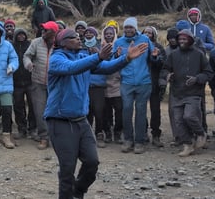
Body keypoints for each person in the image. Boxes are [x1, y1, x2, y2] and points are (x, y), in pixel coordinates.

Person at [45, 28, 147, 199]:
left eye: (79, 37)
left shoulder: (83, 57)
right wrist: (97, 57)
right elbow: (71, 68)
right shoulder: (56, 58)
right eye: (74, 37)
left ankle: (78, 191)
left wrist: (126, 58)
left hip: (80, 120)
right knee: (67, 168)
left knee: (92, 162)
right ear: (63, 42)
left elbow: (106, 67)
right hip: (60, 121)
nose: (79, 39)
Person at [161, 29, 213, 157]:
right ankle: (187, 144)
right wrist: (168, 75)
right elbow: (164, 69)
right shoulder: (173, 55)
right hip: (177, 92)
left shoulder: (199, 54)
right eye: (180, 39)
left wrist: (197, 79)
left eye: (184, 39)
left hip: (193, 92)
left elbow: (208, 73)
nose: (181, 41)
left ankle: (201, 133)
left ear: (190, 40)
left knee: (189, 116)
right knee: (178, 120)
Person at [114, 17, 159, 154]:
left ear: (136, 28)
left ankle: (139, 141)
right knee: (126, 110)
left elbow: (153, 57)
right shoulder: (119, 42)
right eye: (126, 27)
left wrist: (155, 56)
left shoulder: (144, 39)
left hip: (143, 81)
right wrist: (116, 55)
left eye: (131, 27)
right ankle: (128, 140)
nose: (128, 30)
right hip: (126, 82)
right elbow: (113, 61)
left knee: (141, 111)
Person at [24, 21, 59, 149]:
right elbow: (27, 56)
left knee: (55, 111)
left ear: (53, 32)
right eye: (42, 29)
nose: (43, 31)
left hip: (55, 84)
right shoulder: (36, 42)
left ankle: (56, 137)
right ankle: (44, 137)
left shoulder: (60, 43)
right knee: (39, 111)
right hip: (38, 82)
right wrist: (28, 64)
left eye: (46, 30)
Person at [142, 26, 167, 147]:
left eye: (150, 33)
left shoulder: (159, 47)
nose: (147, 34)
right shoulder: (138, 46)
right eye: (145, 32)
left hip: (154, 83)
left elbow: (163, 64)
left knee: (155, 110)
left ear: (154, 35)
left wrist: (155, 57)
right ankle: (143, 133)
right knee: (141, 110)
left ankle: (156, 134)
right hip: (141, 82)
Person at [83, 26, 107, 148]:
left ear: (95, 35)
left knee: (99, 110)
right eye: (86, 33)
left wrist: (98, 54)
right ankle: (87, 135)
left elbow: (107, 63)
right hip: (85, 84)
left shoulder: (101, 46)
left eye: (91, 33)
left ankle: (99, 133)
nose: (88, 34)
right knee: (87, 112)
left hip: (98, 85)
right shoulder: (81, 47)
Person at [12, 28, 35, 139]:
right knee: (18, 106)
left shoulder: (30, 45)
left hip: (30, 80)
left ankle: (33, 128)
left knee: (32, 105)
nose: (21, 37)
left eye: (23, 35)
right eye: (19, 35)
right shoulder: (12, 46)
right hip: (16, 81)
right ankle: (21, 128)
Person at [102, 22, 122, 144]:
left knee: (119, 110)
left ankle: (118, 132)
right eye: (106, 33)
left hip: (117, 83)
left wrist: (119, 56)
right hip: (103, 83)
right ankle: (108, 132)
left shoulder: (119, 47)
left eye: (111, 33)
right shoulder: (100, 47)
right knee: (106, 112)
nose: (109, 35)